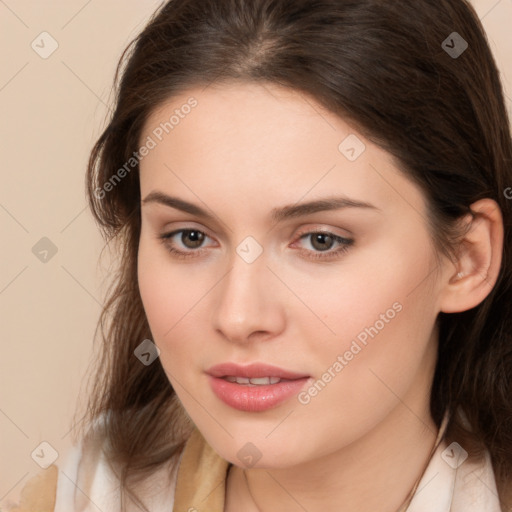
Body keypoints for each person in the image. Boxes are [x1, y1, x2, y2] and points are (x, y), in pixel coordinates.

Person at [11, 0, 512, 510]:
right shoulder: (73, 498)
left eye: (321, 240)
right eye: (190, 236)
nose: (238, 316)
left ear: (466, 260)